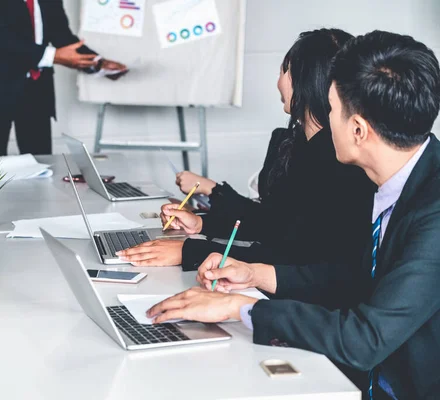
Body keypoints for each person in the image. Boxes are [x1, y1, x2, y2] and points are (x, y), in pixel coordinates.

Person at [148, 31, 440, 399]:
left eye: (331, 109)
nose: (322, 119)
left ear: (358, 130)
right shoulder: (400, 177)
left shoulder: (433, 213)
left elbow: (366, 338)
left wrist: (243, 307)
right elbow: (351, 278)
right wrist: (255, 274)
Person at [118, 29, 374, 269]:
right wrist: (201, 224)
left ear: (305, 80)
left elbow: (293, 256)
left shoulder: (341, 163)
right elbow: (272, 223)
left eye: (284, 71)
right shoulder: (294, 143)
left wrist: (191, 252)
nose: (278, 83)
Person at [0, 0, 127, 156]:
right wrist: (54, 56)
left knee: (40, 166)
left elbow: (61, 35)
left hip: (36, 92)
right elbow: (0, 39)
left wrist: (98, 63)